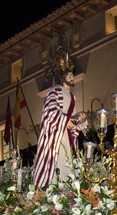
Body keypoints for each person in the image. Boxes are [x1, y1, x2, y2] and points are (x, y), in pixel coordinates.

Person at [32, 58, 83, 187]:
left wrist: (81, 119)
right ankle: (54, 186)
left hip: (67, 134)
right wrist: (64, 121)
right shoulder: (55, 91)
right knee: (58, 159)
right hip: (56, 134)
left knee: (68, 160)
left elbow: (73, 116)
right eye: (70, 76)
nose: (72, 78)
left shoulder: (72, 97)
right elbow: (50, 110)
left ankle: (67, 187)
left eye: (73, 76)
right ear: (64, 77)